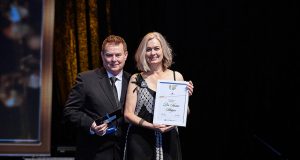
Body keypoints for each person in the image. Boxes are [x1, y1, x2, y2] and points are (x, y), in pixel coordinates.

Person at [123, 32, 194, 160]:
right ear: (143, 53)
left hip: (169, 139)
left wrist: (185, 99)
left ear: (163, 50)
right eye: (148, 49)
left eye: (156, 48)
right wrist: (151, 126)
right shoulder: (136, 78)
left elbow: (185, 112)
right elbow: (128, 115)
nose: (153, 53)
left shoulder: (176, 76)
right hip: (140, 140)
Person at [63, 35, 131, 160]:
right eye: (109, 55)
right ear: (102, 55)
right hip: (94, 153)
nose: (114, 59)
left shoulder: (133, 81)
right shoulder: (86, 79)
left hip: (125, 153)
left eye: (118, 55)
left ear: (125, 55)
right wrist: (91, 125)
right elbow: (70, 111)